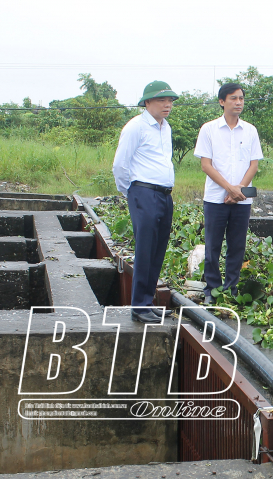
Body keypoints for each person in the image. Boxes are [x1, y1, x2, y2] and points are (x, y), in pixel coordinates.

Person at [112, 81, 179, 323]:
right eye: (162, 100)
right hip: (143, 192)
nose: (167, 105)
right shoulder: (136, 127)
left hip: (164, 194)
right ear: (147, 102)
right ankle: (139, 306)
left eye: (170, 101)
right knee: (145, 248)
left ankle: (148, 302)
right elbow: (120, 165)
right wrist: (131, 192)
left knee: (158, 249)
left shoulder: (165, 128)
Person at [195, 83, 263, 303]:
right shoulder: (209, 129)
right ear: (222, 101)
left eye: (241, 98)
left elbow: (254, 165)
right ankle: (212, 289)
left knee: (237, 246)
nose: (238, 102)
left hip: (241, 200)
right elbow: (206, 165)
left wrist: (238, 189)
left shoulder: (250, 130)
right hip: (216, 198)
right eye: (233, 98)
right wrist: (229, 188)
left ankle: (231, 288)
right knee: (212, 246)